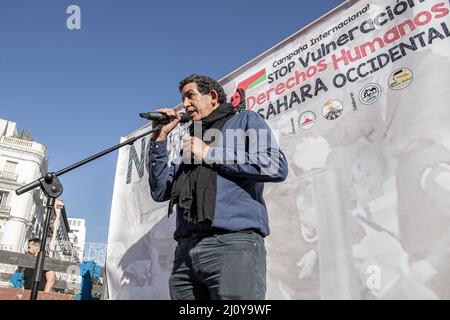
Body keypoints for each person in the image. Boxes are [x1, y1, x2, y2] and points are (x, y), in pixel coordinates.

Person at [148, 74, 288, 300]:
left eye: (190, 96)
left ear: (212, 96)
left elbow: (275, 166)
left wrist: (209, 153)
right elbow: (160, 190)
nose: (185, 105)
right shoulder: (191, 144)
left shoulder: (245, 121)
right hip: (185, 254)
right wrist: (159, 138)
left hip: (232, 245)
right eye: (183, 99)